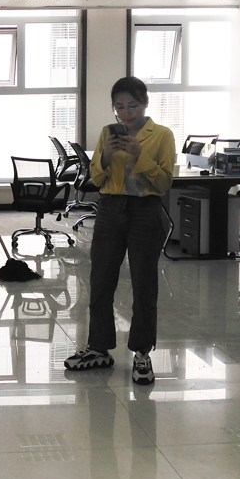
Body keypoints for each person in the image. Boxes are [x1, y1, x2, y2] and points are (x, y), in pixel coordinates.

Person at [64, 76, 175, 384]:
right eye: (119, 107)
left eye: (133, 106)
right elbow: (96, 179)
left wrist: (140, 155)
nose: (126, 114)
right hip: (110, 208)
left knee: (143, 283)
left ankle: (142, 352)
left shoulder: (162, 135)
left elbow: (164, 182)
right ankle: (98, 347)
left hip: (145, 210)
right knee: (100, 280)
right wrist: (105, 157)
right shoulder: (107, 133)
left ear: (145, 103)